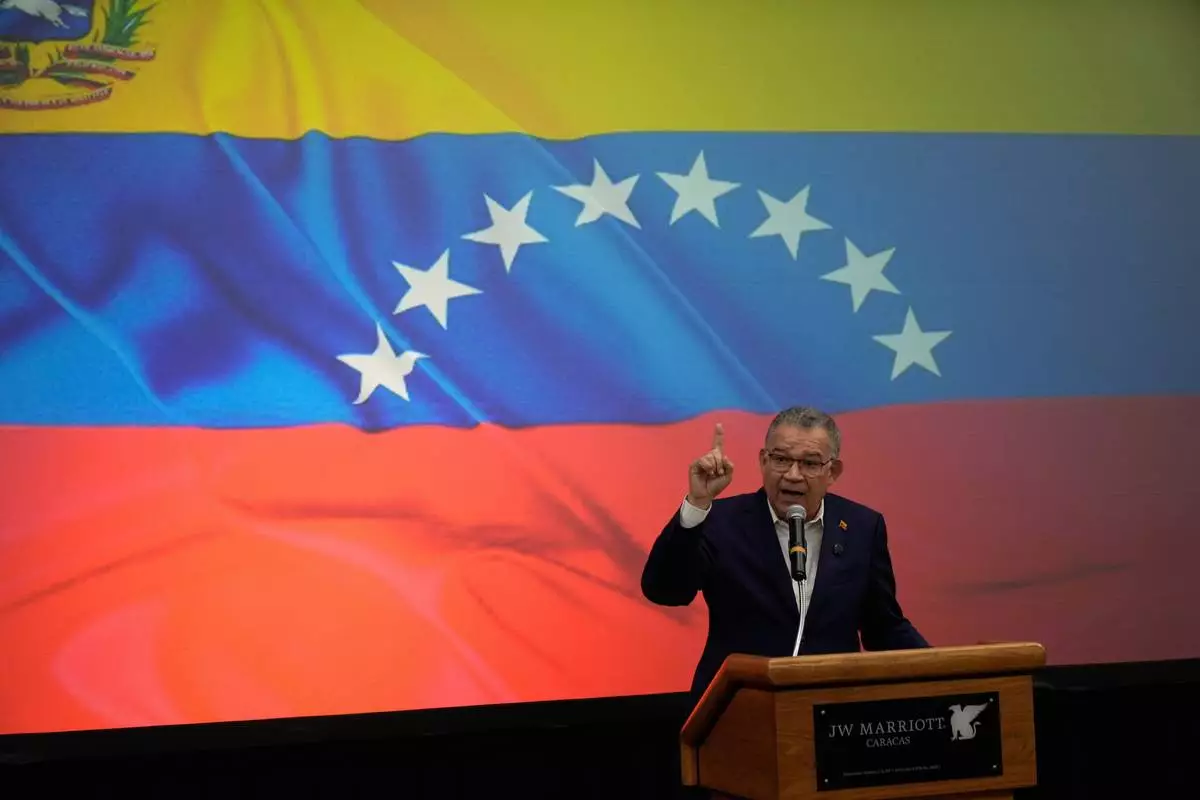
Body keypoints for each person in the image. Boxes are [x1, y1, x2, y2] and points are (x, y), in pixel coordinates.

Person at [641, 406, 927, 698]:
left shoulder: (862, 527)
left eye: (809, 463)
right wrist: (697, 504)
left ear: (832, 472)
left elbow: (883, 627)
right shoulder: (720, 522)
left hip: (832, 706)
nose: (793, 475)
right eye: (781, 459)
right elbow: (665, 591)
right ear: (763, 461)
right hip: (740, 705)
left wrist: (943, 670)